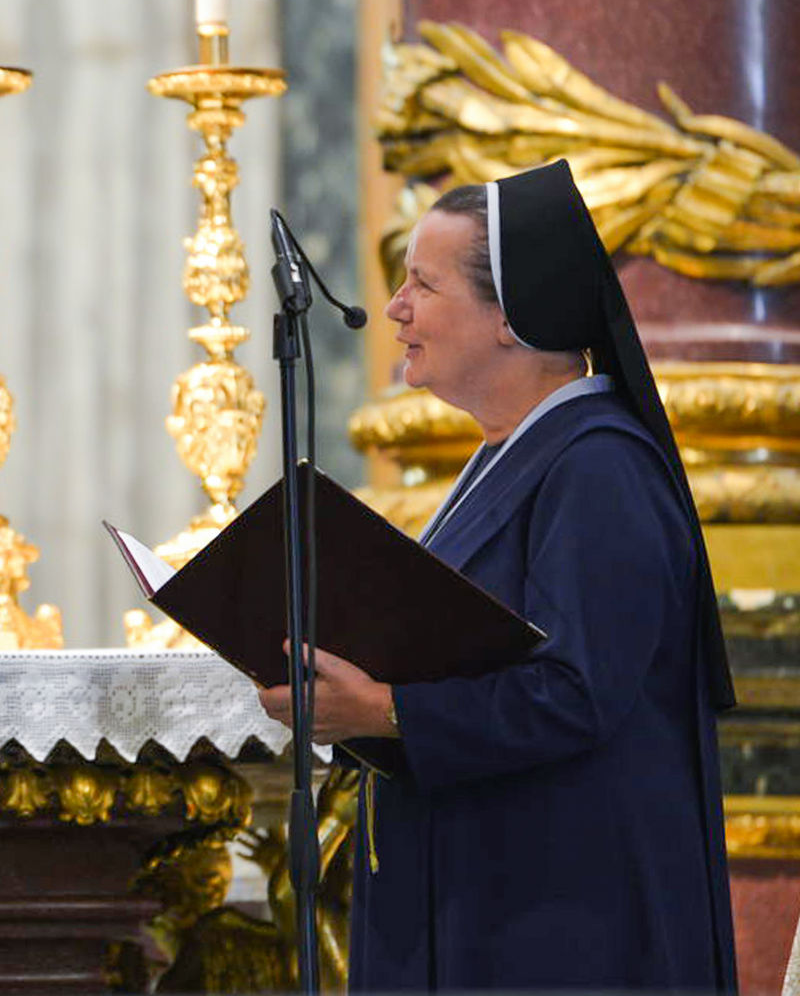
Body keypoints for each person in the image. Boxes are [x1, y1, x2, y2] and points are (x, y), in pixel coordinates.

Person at [258, 160, 737, 989]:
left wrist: (383, 707)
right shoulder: (511, 453)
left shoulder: (600, 466)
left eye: (423, 285)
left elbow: (577, 693)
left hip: (564, 928)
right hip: (494, 901)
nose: (397, 307)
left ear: (512, 317)